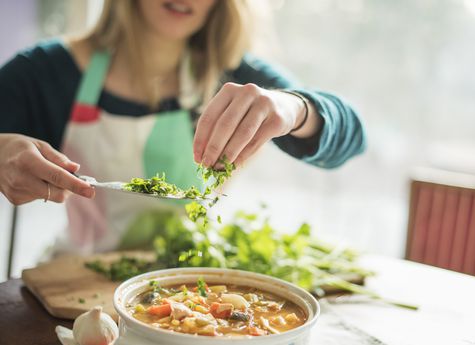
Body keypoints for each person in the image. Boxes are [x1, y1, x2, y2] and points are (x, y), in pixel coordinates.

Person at [0, 0, 365, 254]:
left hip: (191, 290)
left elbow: (354, 136)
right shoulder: (48, 72)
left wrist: (295, 108)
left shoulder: (235, 74)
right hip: (76, 283)